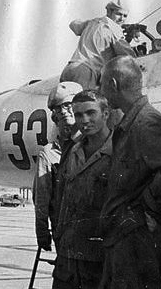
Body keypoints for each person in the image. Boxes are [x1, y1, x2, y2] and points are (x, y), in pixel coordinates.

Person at [99, 56, 161, 289]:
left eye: (101, 85)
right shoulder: (132, 123)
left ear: (113, 84)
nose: (100, 91)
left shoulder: (145, 123)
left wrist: (147, 207)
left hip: (134, 238)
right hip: (125, 236)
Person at [53, 90, 111, 289]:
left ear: (105, 114)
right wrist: (59, 237)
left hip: (102, 260)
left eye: (90, 113)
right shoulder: (72, 152)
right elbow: (63, 199)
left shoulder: (122, 152)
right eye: (78, 115)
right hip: (69, 258)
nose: (84, 120)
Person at [33, 81, 82, 253]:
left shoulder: (95, 146)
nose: (63, 112)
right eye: (58, 109)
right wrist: (41, 231)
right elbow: (41, 198)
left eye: (68, 106)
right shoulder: (48, 153)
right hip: (64, 233)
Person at [60, 0, 135, 90]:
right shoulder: (115, 28)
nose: (122, 19)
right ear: (109, 11)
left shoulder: (92, 22)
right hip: (86, 72)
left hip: (69, 69)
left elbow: (73, 25)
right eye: (119, 14)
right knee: (86, 103)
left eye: (125, 16)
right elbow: (128, 56)